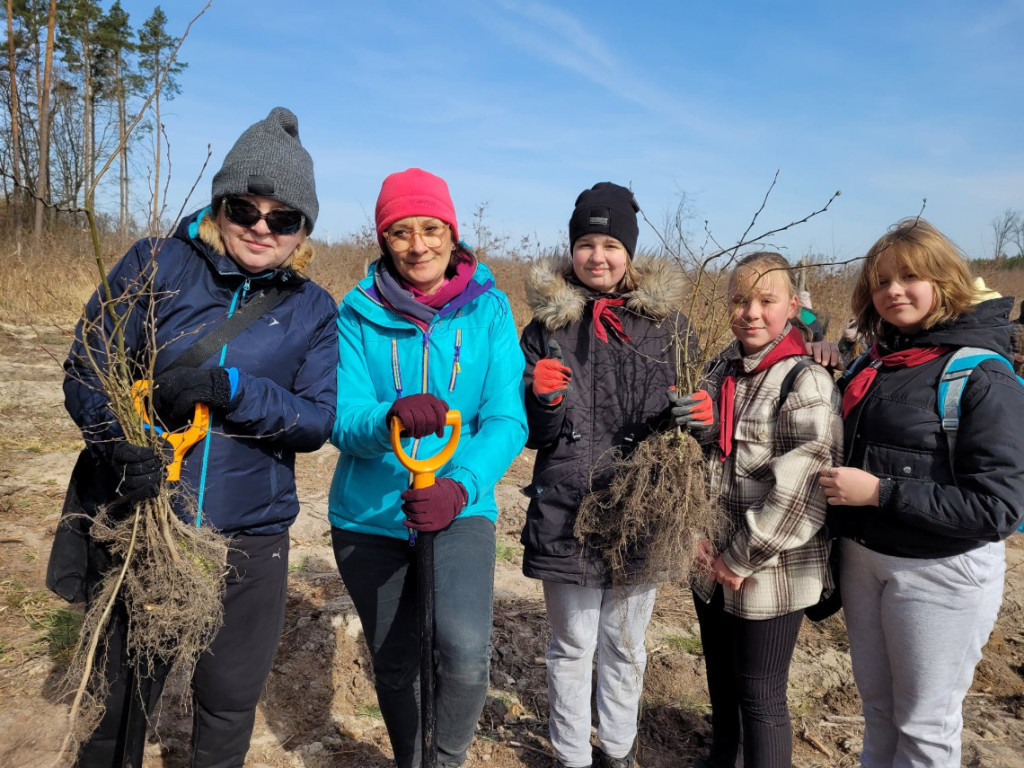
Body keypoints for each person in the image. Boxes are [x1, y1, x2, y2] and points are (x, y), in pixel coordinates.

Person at [63, 107, 339, 766]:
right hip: (149, 519)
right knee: (122, 697)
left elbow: (316, 421)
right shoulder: (155, 264)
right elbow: (88, 366)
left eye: (283, 218)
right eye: (246, 208)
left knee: (228, 700)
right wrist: (117, 444)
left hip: (252, 533)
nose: (261, 228)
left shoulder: (312, 308)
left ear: (303, 228)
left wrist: (235, 391)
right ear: (220, 204)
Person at [328, 167, 527, 768]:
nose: (418, 245)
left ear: (451, 232)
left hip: (459, 506)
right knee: (394, 659)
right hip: (370, 514)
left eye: (431, 229)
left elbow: (506, 420)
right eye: (401, 232)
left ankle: (446, 761)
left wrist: (460, 486)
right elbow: (342, 417)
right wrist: (388, 415)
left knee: (463, 651)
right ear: (383, 240)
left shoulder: (489, 311)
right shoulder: (356, 313)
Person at [818, 218, 1024, 768]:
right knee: (879, 710)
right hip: (866, 559)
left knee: (926, 725)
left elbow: (999, 508)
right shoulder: (879, 361)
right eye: (882, 281)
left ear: (945, 283)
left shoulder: (980, 376)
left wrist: (882, 493)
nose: (894, 291)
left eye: (911, 277)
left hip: (939, 571)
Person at [519, 182, 694, 768]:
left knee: (625, 643)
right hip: (566, 504)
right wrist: (539, 402)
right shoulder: (545, 327)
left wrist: (698, 418)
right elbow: (533, 437)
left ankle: (617, 751)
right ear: (571, 250)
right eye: (586, 243)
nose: (598, 256)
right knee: (571, 646)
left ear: (631, 251)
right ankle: (571, 755)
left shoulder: (669, 326)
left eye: (611, 244)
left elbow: (693, 422)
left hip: (641, 507)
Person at [676, 251, 842, 768]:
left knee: (761, 696)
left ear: (792, 306)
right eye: (740, 300)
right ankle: (721, 759)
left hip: (767, 570)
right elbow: (700, 461)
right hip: (709, 559)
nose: (751, 312)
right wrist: (696, 537)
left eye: (766, 300)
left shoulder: (804, 381)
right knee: (720, 682)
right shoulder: (718, 369)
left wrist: (740, 556)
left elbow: (803, 488)